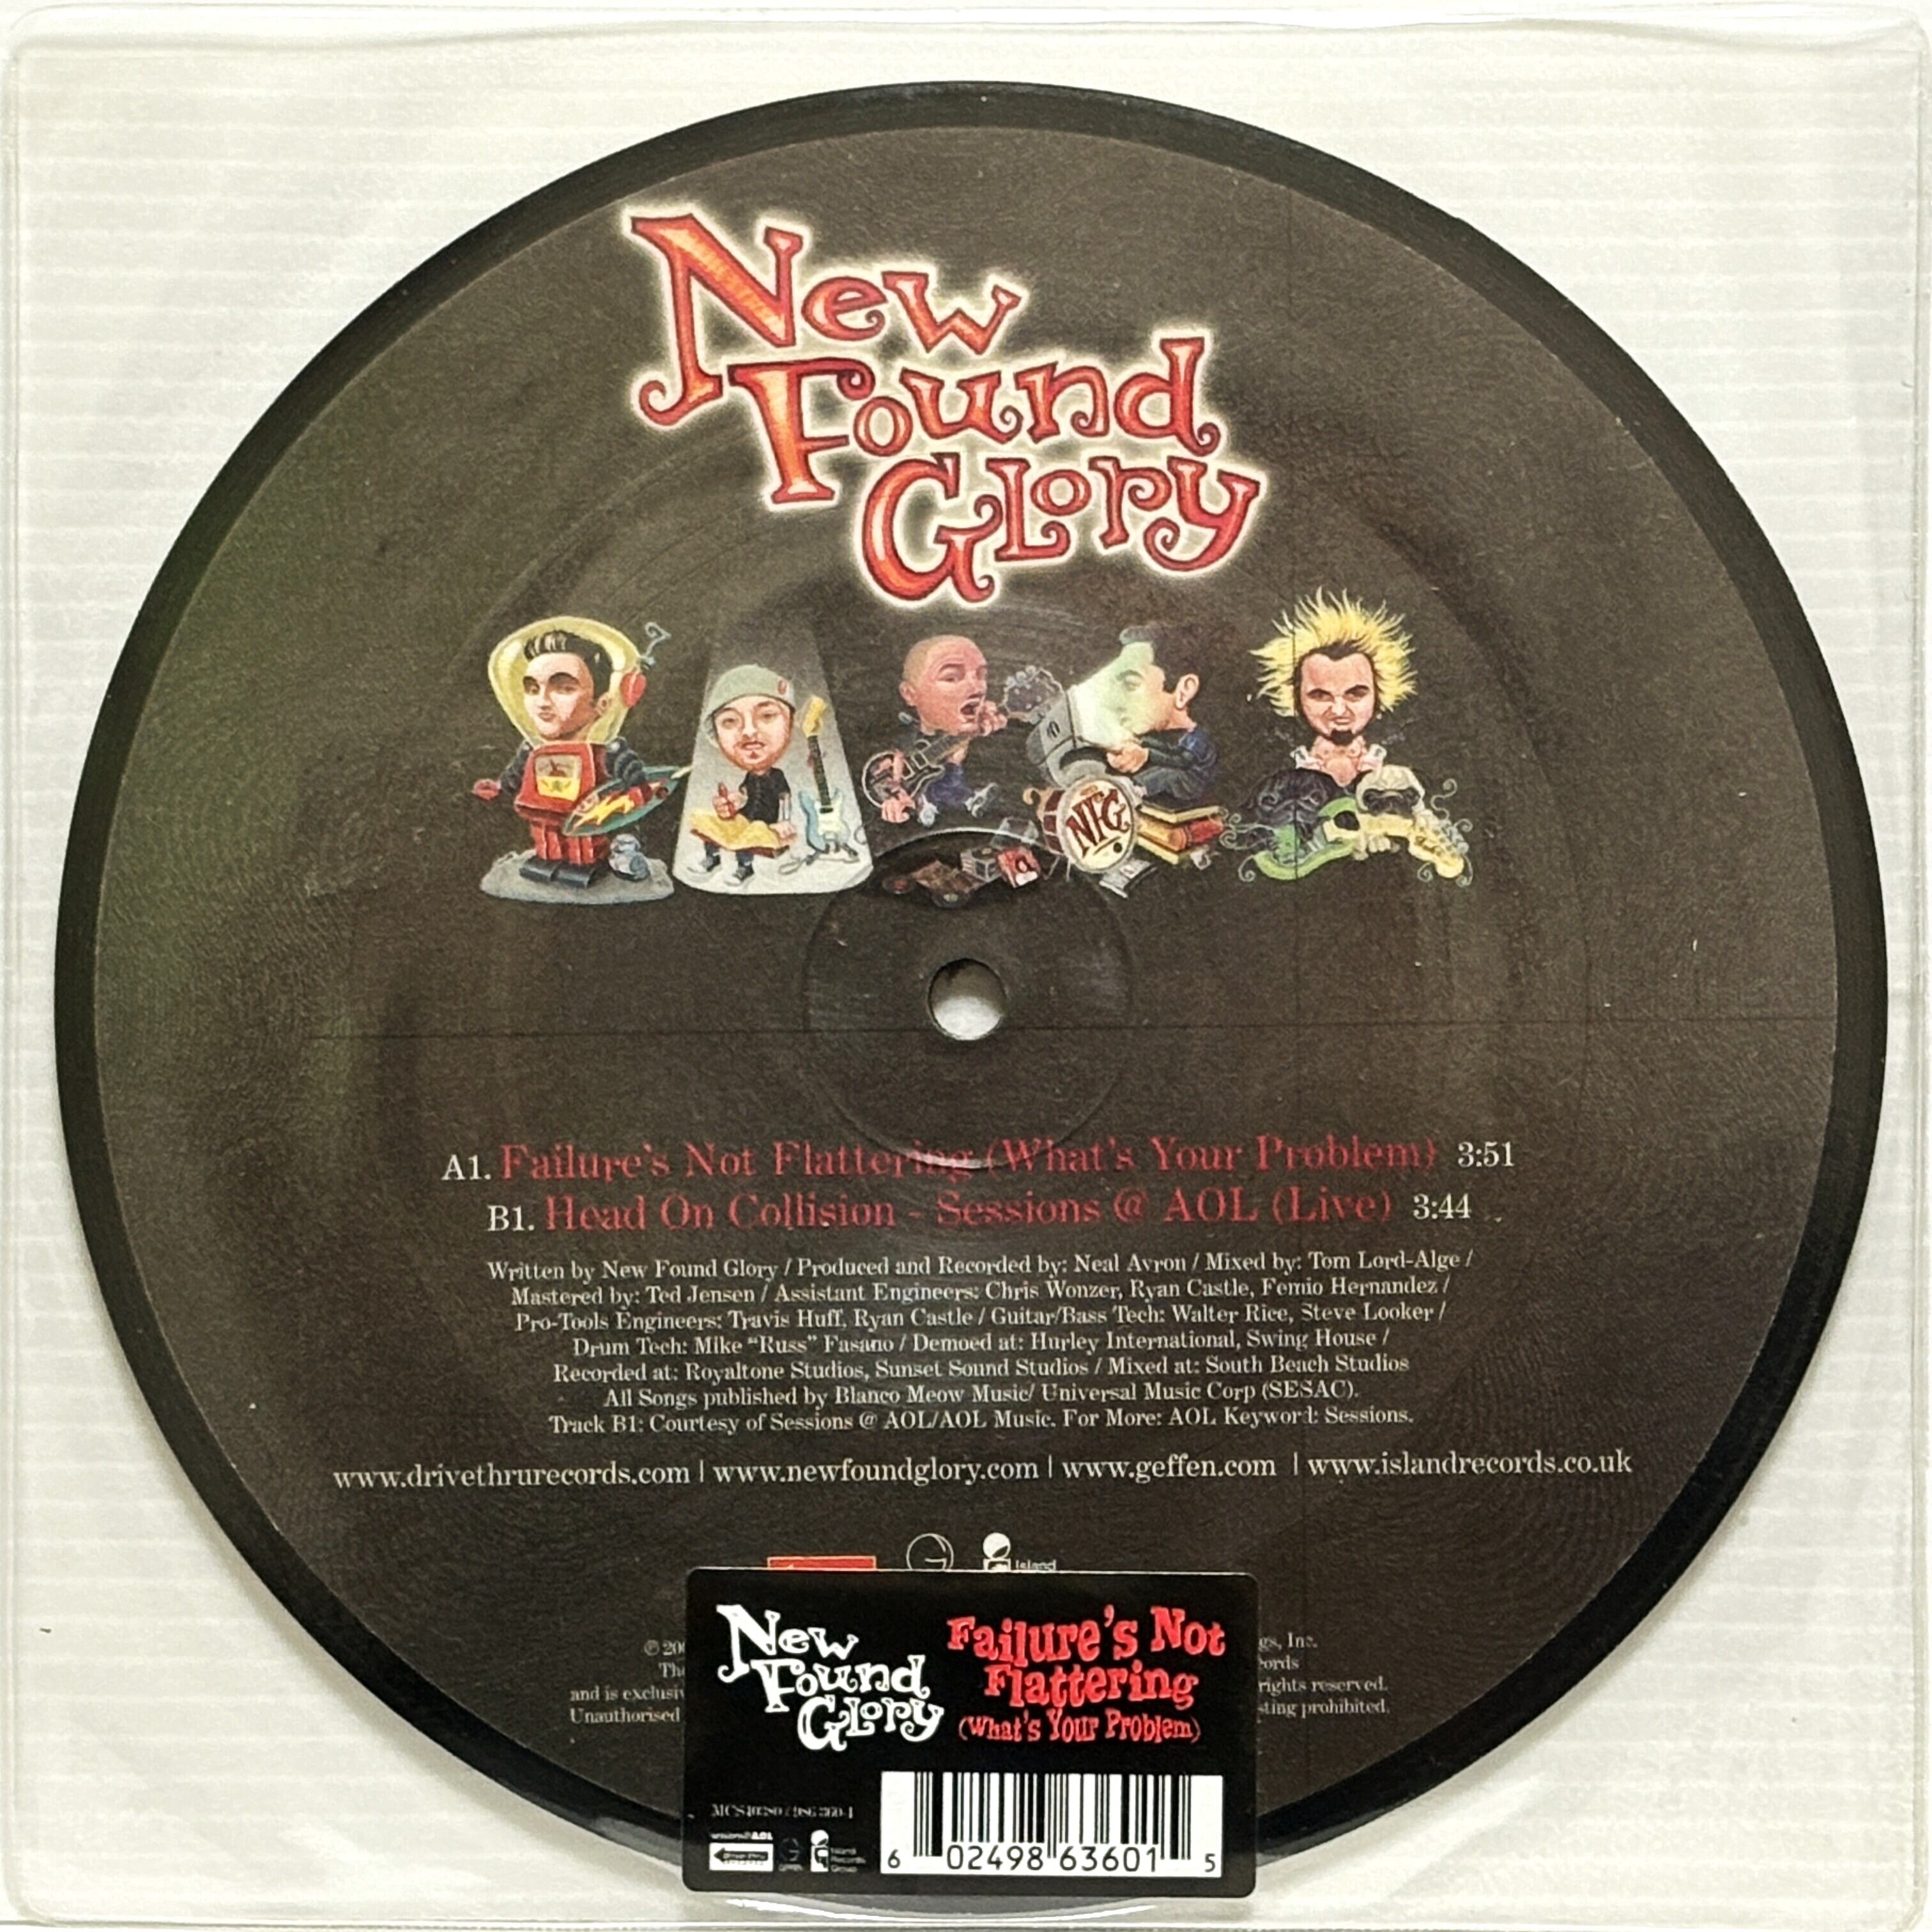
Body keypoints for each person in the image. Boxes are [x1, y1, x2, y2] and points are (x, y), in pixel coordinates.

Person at [471, 621, 675, 887]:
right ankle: (548, 860)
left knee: (583, 845)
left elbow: (634, 781)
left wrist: (636, 788)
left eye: (564, 688)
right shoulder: (533, 750)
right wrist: (499, 788)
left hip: (586, 817)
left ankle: (585, 864)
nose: (542, 702)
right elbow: (516, 775)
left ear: (603, 703)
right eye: (533, 689)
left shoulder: (607, 751)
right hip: (542, 809)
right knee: (547, 840)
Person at [1252, 590, 1416, 787]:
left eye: (1355, 695)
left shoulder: (1411, 761)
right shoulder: (1267, 767)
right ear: (1295, 698)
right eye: (1321, 696)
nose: (1339, 711)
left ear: (1379, 694)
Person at [1068, 626, 1218, 805]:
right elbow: (1171, 751)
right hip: (1181, 776)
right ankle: (1132, 788)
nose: (1117, 701)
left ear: (1184, 691)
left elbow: (1181, 760)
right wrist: (1140, 744)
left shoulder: (1200, 738)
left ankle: (1136, 791)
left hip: (1191, 783)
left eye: (1131, 684)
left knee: (1166, 774)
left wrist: (1147, 754)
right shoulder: (1183, 736)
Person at [872, 634, 1007, 822]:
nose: (977, 688)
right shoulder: (901, 740)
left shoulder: (996, 748)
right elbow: (880, 777)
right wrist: (892, 797)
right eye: (951, 678)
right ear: (910, 694)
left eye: (981, 676)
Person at [685, 665, 800, 884]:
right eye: (730, 721)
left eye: (767, 715)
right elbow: (744, 795)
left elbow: (785, 798)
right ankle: (712, 858)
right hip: (744, 819)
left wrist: (785, 823)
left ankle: (744, 869)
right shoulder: (750, 776)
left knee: (749, 836)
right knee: (708, 822)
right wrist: (731, 803)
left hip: (764, 826)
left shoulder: (777, 776)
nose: (749, 732)